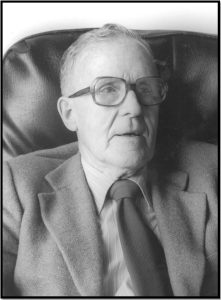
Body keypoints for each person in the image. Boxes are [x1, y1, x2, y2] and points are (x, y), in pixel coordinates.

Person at [3, 24, 217, 297]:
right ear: (69, 113)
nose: (135, 108)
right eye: (107, 90)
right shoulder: (14, 187)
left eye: (147, 89)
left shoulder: (212, 171)